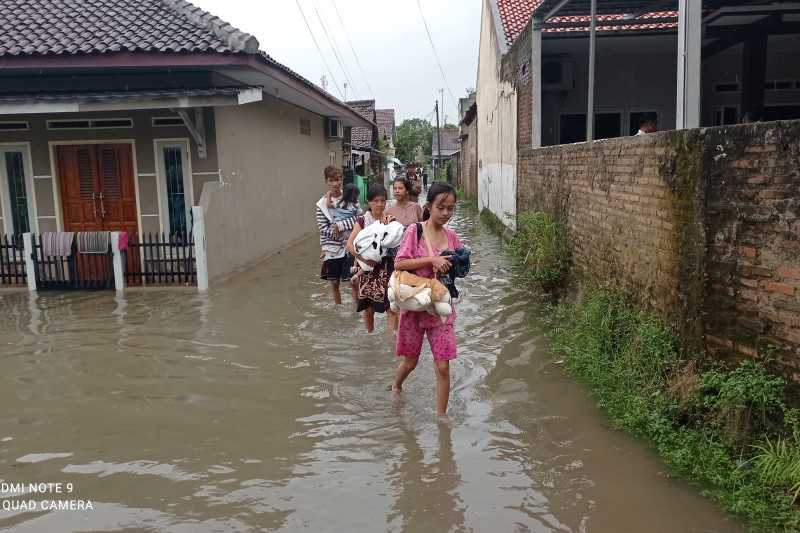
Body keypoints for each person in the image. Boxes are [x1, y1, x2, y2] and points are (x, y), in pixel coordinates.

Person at [392, 182, 463, 417]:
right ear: (429, 206)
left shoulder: (452, 237)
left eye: (450, 209)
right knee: (410, 362)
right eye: (441, 207)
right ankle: (396, 385)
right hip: (414, 305)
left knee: (443, 366)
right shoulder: (415, 231)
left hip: (440, 308)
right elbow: (399, 264)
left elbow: (458, 271)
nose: (445, 213)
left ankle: (441, 419)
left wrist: (460, 263)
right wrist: (431, 261)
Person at [346, 184, 398, 333]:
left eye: (383, 201)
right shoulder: (363, 221)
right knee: (368, 309)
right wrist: (363, 260)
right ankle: (370, 337)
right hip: (367, 270)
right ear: (368, 202)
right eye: (376, 201)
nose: (380, 204)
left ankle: (391, 341)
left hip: (387, 268)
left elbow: (396, 244)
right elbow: (350, 245)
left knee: (391, 307)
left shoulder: (390, 220)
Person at [317, 165, 358, 305]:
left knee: (354, 281)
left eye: (338, 179)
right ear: (326, 181)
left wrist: (340, 226)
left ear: (342, 180)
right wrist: (333, 232)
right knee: (334, 283)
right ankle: (338, 309)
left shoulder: (350, 197)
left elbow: (360, 219)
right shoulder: (321, 205)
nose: (335, 183)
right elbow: (322, 228)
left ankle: (357, 311)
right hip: (332, 248)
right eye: (331, 180)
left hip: (350, 245)